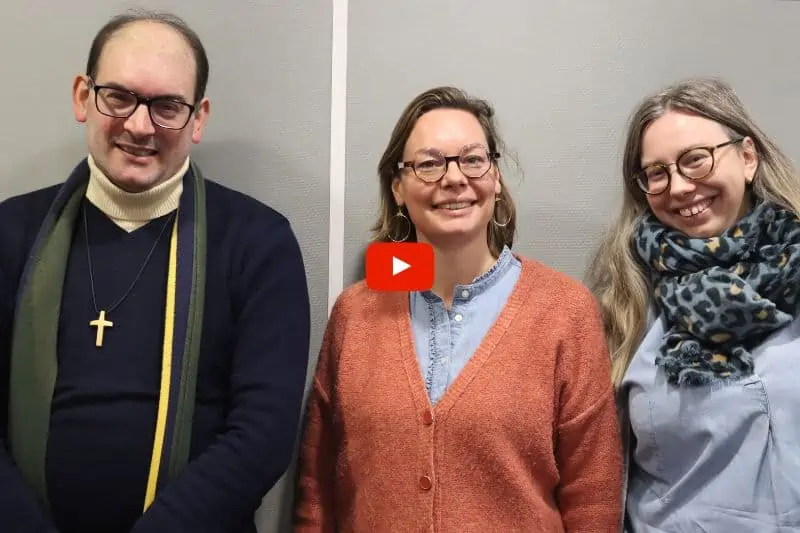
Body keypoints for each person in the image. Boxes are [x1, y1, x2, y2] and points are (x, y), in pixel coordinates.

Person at [0, 9, 311, 533]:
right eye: (118, 97)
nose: (139, 125)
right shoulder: (9, 233)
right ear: (83, 96)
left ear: (199, 118)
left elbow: (262, 434)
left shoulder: (259, 242)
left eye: (167, 105)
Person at [293, 86, 623, 532]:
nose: (454, 178)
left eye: (472, 159)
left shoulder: (564, 312)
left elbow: (593, 501)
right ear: (398, 188)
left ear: (496, 177)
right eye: (429, 164)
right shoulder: (356, 313)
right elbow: (317, 492)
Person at [587, 77, 800, 531]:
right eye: (657, 173)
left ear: (746, 157)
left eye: (696, 161)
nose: (680, 187)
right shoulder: (625, 305)